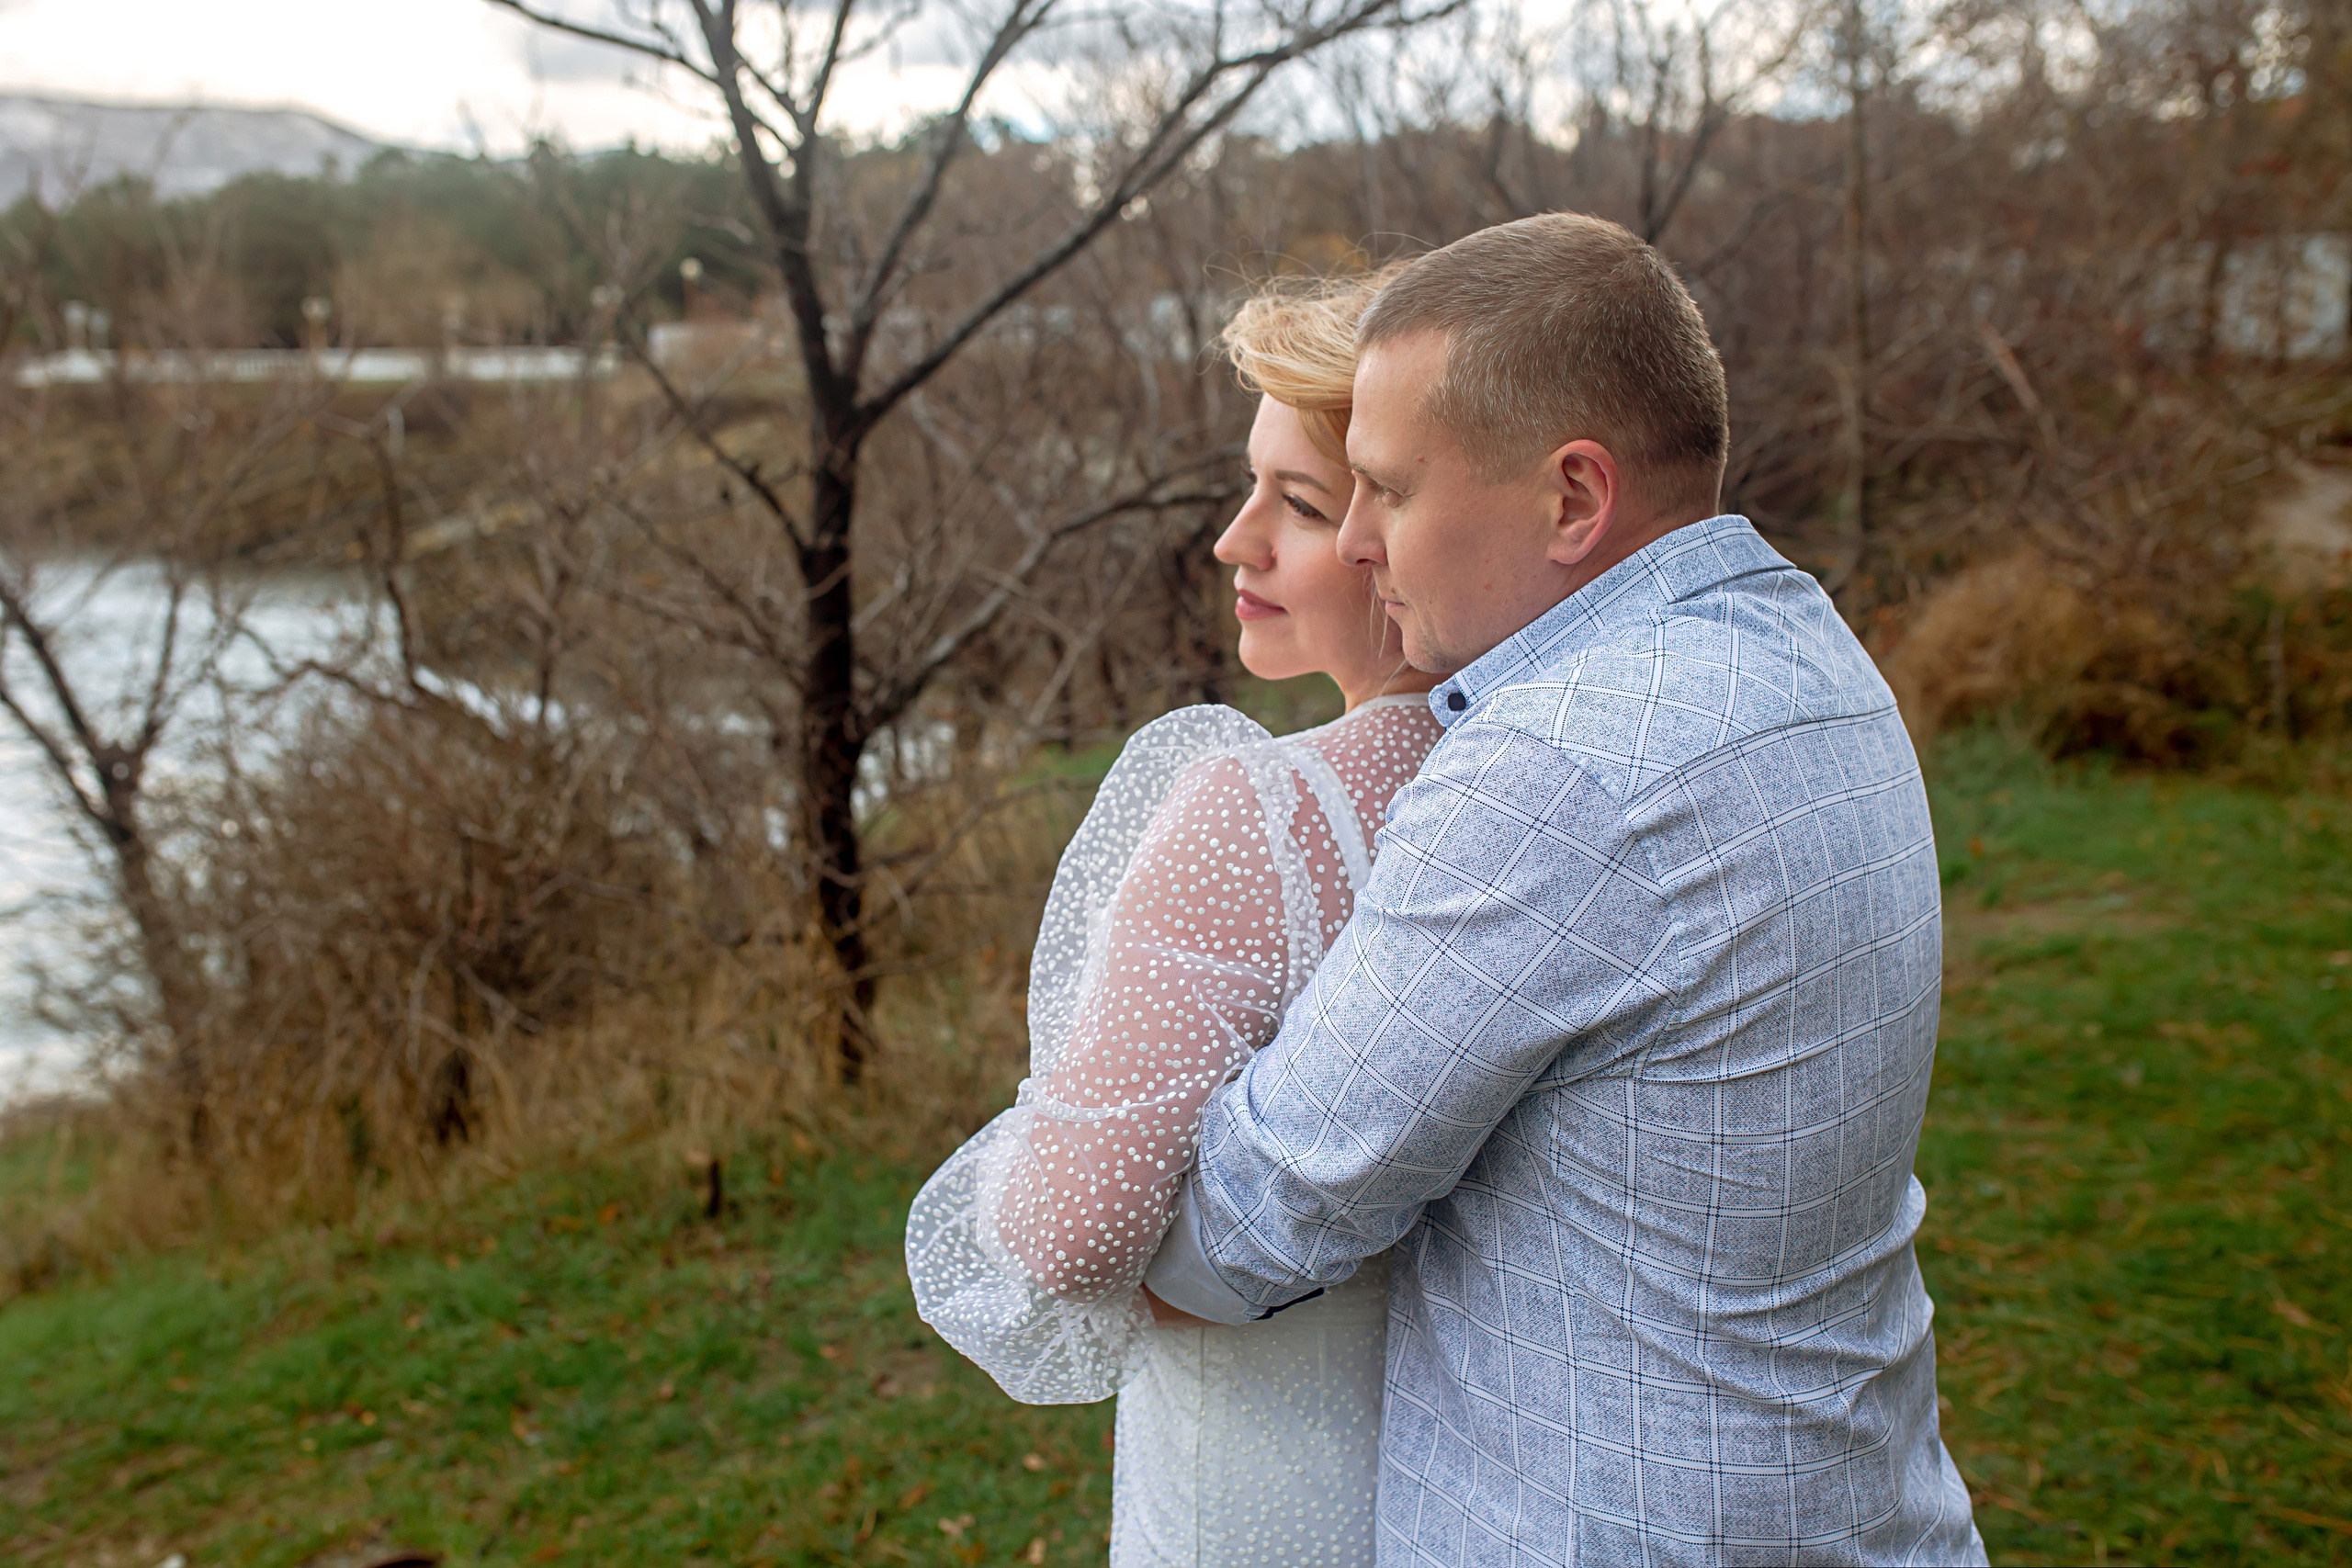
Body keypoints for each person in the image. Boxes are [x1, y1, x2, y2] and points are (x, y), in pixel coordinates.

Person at [1143, 214, 1987, 1565]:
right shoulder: (1810, 647)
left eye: (1390, 490)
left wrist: (1072, 1164)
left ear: (1574, 500)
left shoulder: (1560, 766)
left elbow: (1255, 1225)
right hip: (1861, 1512)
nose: (1355, 541)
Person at [906, 266, 1442, 1567]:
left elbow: (1067, 1233)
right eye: (1251, 488)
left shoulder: (1255, 821)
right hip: (1488, 1480)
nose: (1236, 539)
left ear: (1405, 538)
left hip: (1258, 1495)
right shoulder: (1550, 784)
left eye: (1298, 505)